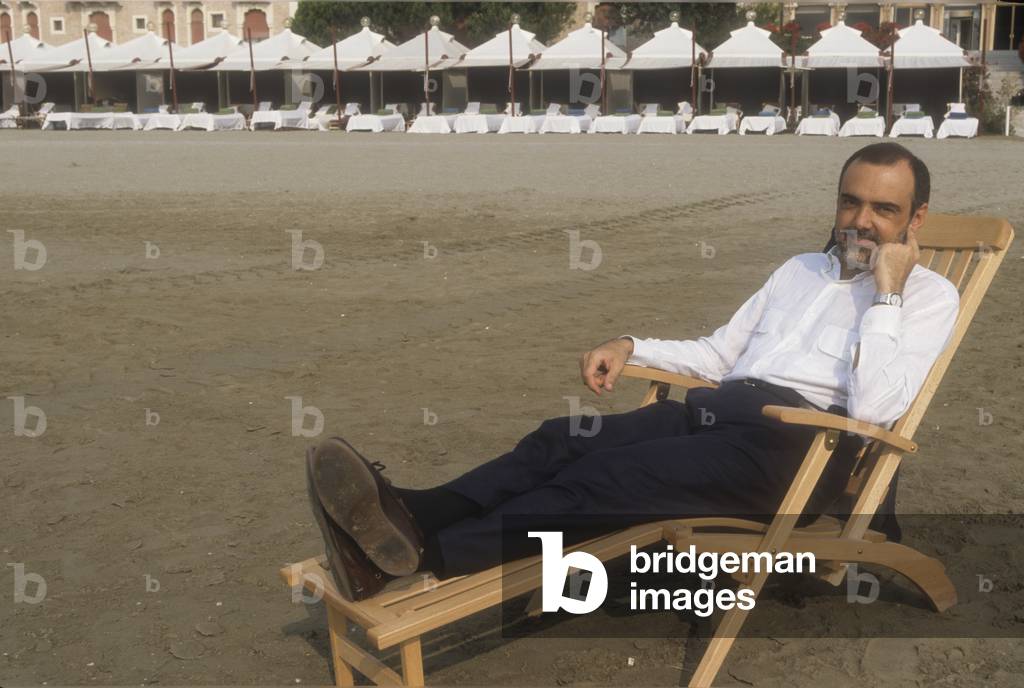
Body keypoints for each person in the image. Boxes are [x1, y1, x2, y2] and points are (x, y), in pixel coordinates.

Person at [305, 142, 960, 602]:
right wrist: (629, 344)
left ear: (917, 220)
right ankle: (413, 513)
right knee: (561, 439)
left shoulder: (928, 298)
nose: (861, 221)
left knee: (607, 478)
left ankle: (428, 559)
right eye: (851, 202)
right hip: (716, 416)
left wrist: (887, 292)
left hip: (799, 452)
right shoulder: (800, 269)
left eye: (884, 210)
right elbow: (719, 355)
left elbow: (875, 409)